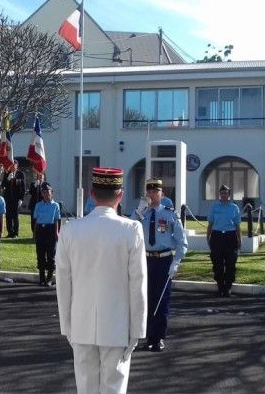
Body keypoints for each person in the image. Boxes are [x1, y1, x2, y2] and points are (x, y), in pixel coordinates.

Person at [56, 167, 146, 394]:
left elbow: (63, 284)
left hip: (81, 323)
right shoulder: (131, 229)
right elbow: (138, 284)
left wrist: (67, 326)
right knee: (113, 387)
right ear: (120, 195)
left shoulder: (70, 230)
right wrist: (137, 329)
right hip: (118, 324)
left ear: (91, 194)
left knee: (85, 388)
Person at [138, 178, 186, 352]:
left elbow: (182, 242)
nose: (152, 195)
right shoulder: (141, 214)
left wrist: (176, 262)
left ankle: (158, 338)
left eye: (155, 192)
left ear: (162, 194)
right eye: (149, 192)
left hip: (164, 260)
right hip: (145, 260)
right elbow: (128, 230)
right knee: (146, 299)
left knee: (161, 300)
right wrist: (138, 211)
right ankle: (149, 337)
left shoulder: (169, 214)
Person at [207, 184, 242, 297]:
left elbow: (237, 226)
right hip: (217, 236)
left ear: (229, 194)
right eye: (222, 193)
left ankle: (228, 287)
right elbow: (210, 223)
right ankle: (220, 287)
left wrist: (239, 239)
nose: (223, 195)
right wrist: (208, 237)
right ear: (219, 194)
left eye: (226, 193)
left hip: (230, 237)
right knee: (217, 263)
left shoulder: (234, 208)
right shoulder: (214, 207)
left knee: (230, 263)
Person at [32, 182, 61, 287]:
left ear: (51, 193)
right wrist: (35, 233)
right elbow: (36, 220)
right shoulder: (38, 205)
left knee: (50, 255)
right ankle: (41, 278)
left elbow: (57, 220)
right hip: (41, 230)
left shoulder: (55, 205)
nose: (46, 195)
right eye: (44, 192)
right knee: (40, 255)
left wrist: (56, 232)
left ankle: (49, 279)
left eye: (48, 192)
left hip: (50, 230)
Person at [2, 169, 26, 238]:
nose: (12, 166)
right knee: (8, 216)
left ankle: (15, 233)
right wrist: (8, 179)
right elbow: (3, 185)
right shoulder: (7, 173)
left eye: (14, 165)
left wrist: (21, 198)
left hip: (16, 199)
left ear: (17, 166)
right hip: (8, 198)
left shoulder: (20, 173)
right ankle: (10, 232)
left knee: (15, 217)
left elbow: (23, 187)